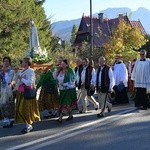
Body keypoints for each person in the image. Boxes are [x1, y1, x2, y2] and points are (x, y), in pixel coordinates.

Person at [15, 57, 40, 134]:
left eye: (23, 62)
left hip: (27, 92)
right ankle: (27, 124)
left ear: (27, 63)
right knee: (21, 109)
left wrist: (21, 78)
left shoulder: (30, 71)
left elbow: (29, 82)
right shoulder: (22, 70)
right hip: (21, 92)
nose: (22, 63)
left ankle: (28, 125)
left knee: (26, 109)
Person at [0, 57, 15, 128]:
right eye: (4, 61)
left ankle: (10, 120)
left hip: (9, 89)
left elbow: (11, 80)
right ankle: (7, 120)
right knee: (3, 104)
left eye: (7, 61)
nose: (5, 63)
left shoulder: (11, 71)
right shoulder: (2, 71)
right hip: (3, 89)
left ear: (9, 62)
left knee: (8, 104)